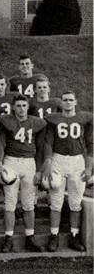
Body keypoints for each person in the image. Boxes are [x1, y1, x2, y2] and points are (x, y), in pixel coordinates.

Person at [0, 95, 47, 253]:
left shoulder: (36, 122)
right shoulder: (7, 122)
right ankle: (8, 238)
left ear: (28, 107)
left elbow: (40, 148)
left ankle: (30, 238)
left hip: (29, 163)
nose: (21, 108)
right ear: (13, 107)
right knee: (10, 203)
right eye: (18, 105)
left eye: (24, 105)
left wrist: (39, 170)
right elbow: (1, 144)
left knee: (28, 204)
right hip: (11, 162)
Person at [42, 91, 92, 252]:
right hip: (58, 159)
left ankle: (74, 236)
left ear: (76, 102)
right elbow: (48, 142)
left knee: (75, 203)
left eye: (71, 100)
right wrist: (48, 161)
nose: (68, 102)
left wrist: (89, 167)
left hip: (77, 161)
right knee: (56, 200)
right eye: (65, 100)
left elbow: (91, 144)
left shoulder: (84, 119)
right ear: (61, 103)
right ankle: (54, 236)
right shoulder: (53, 119)